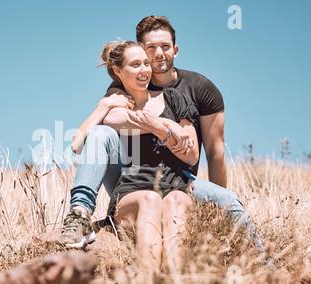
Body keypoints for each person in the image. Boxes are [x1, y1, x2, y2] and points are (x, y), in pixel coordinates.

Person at [58, 16, 269, 266]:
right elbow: (99, 129)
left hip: (179, 177)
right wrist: (157, 124)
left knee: (229, 201)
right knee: (101, 134)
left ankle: (266, 267)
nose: (156, 56)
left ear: (175, 50)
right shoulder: (120, 88)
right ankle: (79, 214)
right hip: (129, 175)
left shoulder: (196, 89)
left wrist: (210, 209)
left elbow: (214, 152)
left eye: (164, 47)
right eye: (148, 50)